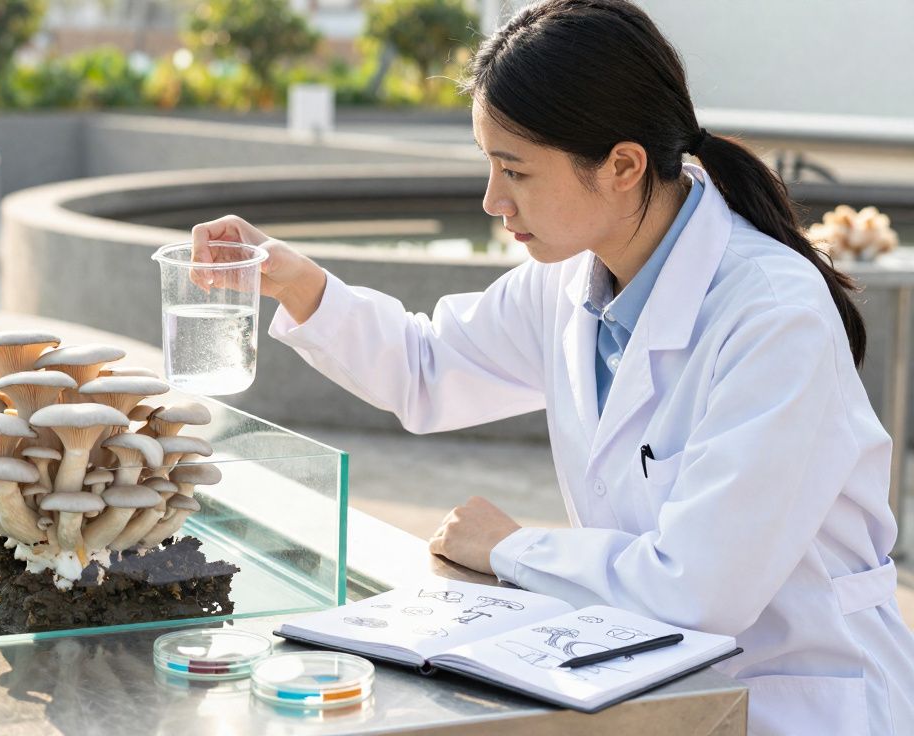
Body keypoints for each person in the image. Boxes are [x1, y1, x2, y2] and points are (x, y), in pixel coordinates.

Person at [188, 1, 914, 733]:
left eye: (515, 171)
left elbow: (699, 590)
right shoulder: (572, 279)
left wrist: (510, 548)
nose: (492, 201)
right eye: (489, 164)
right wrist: (294, 280)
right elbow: (427, 369)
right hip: (652, 686)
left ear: (623, 165)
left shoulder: (771, 316)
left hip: (798, 698)